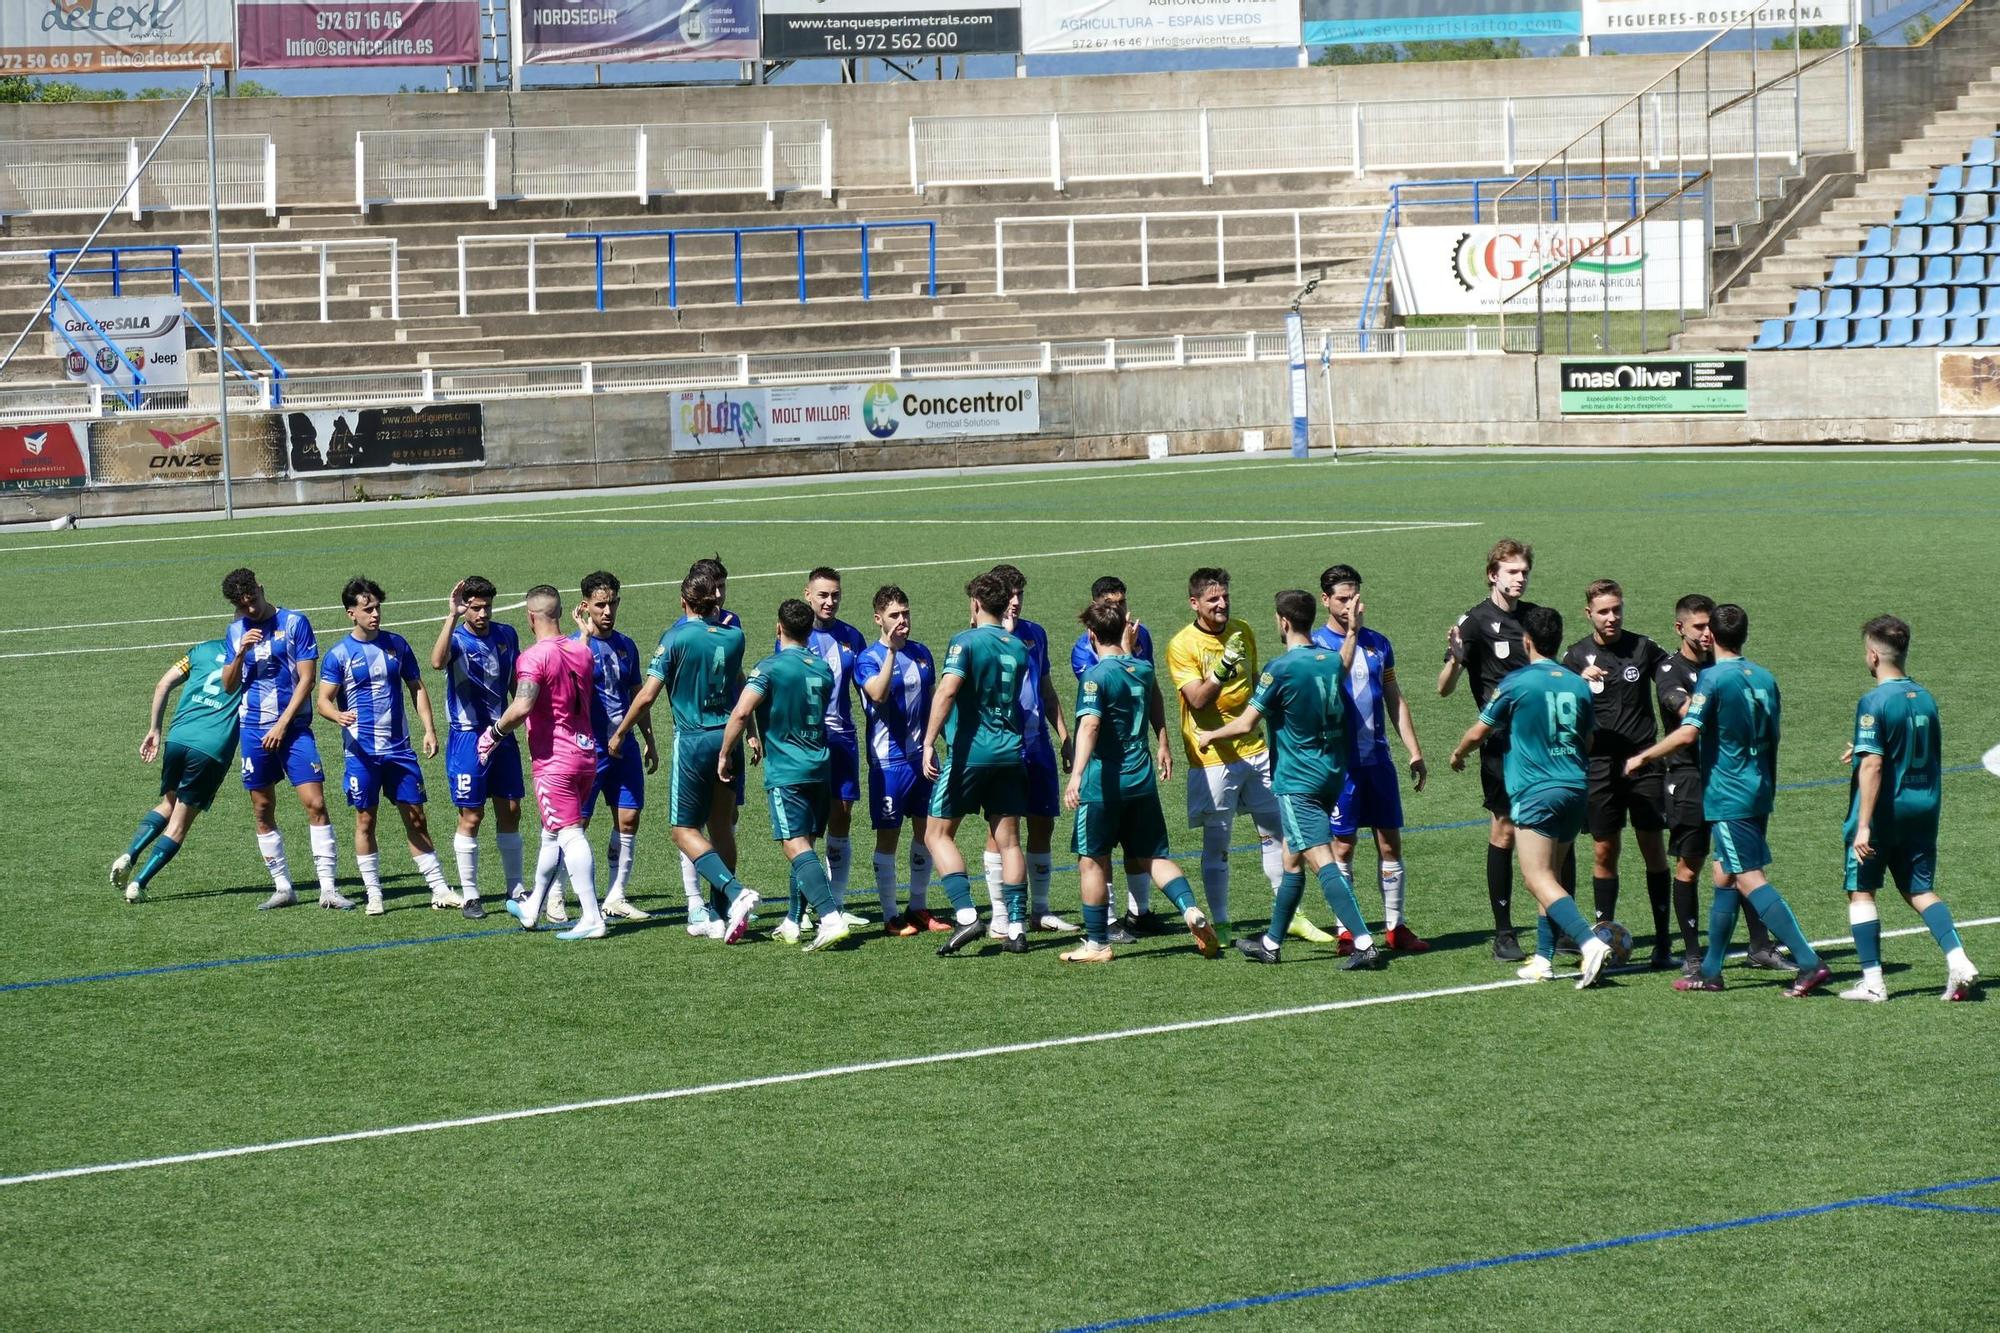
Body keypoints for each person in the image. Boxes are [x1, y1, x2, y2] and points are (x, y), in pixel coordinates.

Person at [1624, 604, 1829, 997]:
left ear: (1713, 637)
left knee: (1749, 877)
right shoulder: (1765, 677)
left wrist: (1643, 757)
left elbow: (1688, 733)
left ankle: (1808, 961)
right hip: (1760, 784)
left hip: (1729, 792)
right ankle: (1712, 970)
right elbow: (1775, 734)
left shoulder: (1713, 679)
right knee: (1724, 875)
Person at [1196, 591, 1381, 970]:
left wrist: (1210, 736)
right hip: (1331, 773)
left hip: (1298, 779)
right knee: (1291, 860)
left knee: (1319, 858)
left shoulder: (1279, 669)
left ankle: (1363, 940)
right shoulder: (1328, 660)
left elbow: (1248, 723)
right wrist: (1352, 631)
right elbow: (1344, 666)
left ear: (1282, 621)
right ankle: (1271, 942)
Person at [1166, 567, 1334, 948]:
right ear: (1195, 603)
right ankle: (1222, 924)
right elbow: (1195, 701)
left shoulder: (1243, 630)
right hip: (1211, 757)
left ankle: (1290, 917)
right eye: (1213, 599)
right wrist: (1222, 668)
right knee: (1218, 844)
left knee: (1279, 834)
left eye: (1224, 596)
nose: (1222, 603)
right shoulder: (1182, 645)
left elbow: (1258, 683)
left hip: (1256, 749)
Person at [1447, 606, 1613, 990]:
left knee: (1536, 877)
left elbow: (1479, 732)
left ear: (1526, 641)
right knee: (1550, 878)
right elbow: (1587, 739)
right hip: (1575, 787)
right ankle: (1544, 958)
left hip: (1536, 790)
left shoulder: (1516, 682)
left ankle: (1589, 943)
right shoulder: (1576, 684)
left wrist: (1458, 755)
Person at [1062, 597, 1219, 963]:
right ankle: (1190, 909)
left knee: (1093, 860)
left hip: (1103, 784)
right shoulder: (1142, 670)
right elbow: (1149, 696)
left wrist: (1076, 775)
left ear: (1090, 635)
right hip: (1142, 780)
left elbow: (1090, 725)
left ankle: (1098, 943)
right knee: (1153, 856)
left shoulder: (1094, 677)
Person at [1837, 616, 1978, 1002]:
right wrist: (1863, 746)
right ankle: (1959, 959)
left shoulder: (1874, 700)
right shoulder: (1925, 697)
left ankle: (1873, 982)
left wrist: (1863, 825)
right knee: (1919, 889)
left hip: (1885, 813)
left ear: (1872, 654)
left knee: (1861, 889)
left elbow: (1874, 765)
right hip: (1924, 808)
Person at [1653, 595, 1787, 975]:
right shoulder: (1670, 669)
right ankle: (1694, 954)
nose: (1706, 633)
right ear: (1681, 628)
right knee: (1689, 865)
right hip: (1690, 779)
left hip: (1728, 778)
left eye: (1709, 626)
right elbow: (1684, 713)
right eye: (1698, 627)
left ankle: (1760, 946)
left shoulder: (1723, 670)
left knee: (1740, 863)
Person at [316, 577, 459, 917]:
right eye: (367, 609)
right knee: (366, 820)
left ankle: (438, 888)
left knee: (416, 816)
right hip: (361, 753)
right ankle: (374, 892)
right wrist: (337, 715)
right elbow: (322, 699)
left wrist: (428, 729)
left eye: (378, 607)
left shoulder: (397, 645)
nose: (375, 614)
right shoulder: (339, 654)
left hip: (399, 750)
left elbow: (417, 687)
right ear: (352, 613)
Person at [1314, 564, 1429, 953]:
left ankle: (1395, 928)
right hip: (1339, 766)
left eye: (1355, 598)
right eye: (1342, 599)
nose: (1350, 606)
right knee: (1342, 848)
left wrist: (1413, 750)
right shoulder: (1315, 647)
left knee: (1390, 844)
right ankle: (1347, 931)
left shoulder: (1379, 643)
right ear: (1325, 600)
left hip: (1378, 761)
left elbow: (1394, 697)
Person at [723, 598, 849, 952]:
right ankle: (793, 921)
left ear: (779, 628)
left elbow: (741, 711)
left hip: (787, 770)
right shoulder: (823, 669)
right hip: (819, 766)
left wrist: (724, 753)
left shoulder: (770, 668)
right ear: (809, 630)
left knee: (794, 846)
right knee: (806, 844)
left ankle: (829, 917)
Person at [220, 567, 349, 912]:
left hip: (292, 730)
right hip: (253, 730)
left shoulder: (294, 623)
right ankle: (283, 887)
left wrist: (282, 724)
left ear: (262, 589)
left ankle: (329, 889)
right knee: (262, 808)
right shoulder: (235, 631)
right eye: (242, 605)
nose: (250, 609)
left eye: (253, 600)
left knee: (316, 803)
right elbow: (228, 685)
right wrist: (239, 654)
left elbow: (306, 680)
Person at [486, 585, 610, 941]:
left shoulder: (532, 657)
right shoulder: (582, 651)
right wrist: (584, 634)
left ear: (530, 617)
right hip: (586, 755)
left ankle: (591, 916)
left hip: (554, 760)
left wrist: (493, 733)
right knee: (551, 834)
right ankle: (532, 906)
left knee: (569, 833)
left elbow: (522, 706)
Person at [1560, 579, 1674, 966]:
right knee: (1604, 850)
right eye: (1604, 611)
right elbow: (1557, 700)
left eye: (1617, 609)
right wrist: (1579, 681)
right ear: (1588, 613)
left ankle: (1663, 940)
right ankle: (1602, 935)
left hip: (1644, 766)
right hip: (1599, 769)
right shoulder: (1576, 656)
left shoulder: (1643, 648)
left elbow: (1673, 677)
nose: (1612, 617)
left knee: (1653, 850)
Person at [1437, 539, 1539, 962]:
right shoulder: (1475, 621)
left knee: (1553, 832)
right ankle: (1503, 932)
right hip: (1500, 744)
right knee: (1505, 830)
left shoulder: (1537, 618)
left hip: (1542, 740)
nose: (1520, 578)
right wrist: (1456, 661)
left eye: (1524, 572)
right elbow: (1442, 690)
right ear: (1492, 574)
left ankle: (1557, 927)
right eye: (1512, 571)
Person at [922, 572, 1032, 957]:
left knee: (936, 834)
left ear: (975, 605)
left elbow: (949, 690)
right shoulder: (1019, 647)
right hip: (1010, 751)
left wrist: (928, 739)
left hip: (972, 753)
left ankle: (967, 915)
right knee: (1011, 841)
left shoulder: (964, 642)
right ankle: (1016, 927)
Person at [109, 636, 245, 903]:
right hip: (211, 748)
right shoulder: (252, 659)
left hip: (178, 739)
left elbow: (163, 684)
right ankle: (139, 883)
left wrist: (154, 729)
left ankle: (130, 854)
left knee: (169, 803)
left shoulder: (201, 649)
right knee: (180, 823)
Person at [986, 564, 1077, 934]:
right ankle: (1000, 916)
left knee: (1043, 824)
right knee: (1001, 830)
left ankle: (1039, 910)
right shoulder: (982, 637)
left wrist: (1065, 737)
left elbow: (1047, 689)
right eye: (1009, 594)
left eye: (1020, 594)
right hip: (1002, 747)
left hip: (1037, 744)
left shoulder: (1036, 634)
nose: (1016, 602)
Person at [430, 575, 523, 921]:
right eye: (476, 607)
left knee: (511, 809)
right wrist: (451, 615)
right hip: (468, 737)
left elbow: (515, 683)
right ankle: (470, 895)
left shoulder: (507, 635)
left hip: (503, 734)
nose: (482, 613)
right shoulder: (456, 638)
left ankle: (516, 888)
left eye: (487, 607)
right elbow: (437, 662)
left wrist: (527, 723)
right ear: (465, 606)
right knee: (472, 814)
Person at [1069, 574, 1156, 938]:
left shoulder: (1142, 635)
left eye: (1121, 602)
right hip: (1105, 764)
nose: (1117, 609)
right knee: (1099, 850)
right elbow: (1108, 697)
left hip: (1132, 762)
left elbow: (1148, 688)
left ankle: (1140, 912)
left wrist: (1163, 739)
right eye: (1109, 604)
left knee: (1138, 845)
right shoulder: (1082, 650)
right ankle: (1107, 917)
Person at [857, 585, 944, 935]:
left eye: (905, 613)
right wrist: (892, 651)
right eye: (894, 615)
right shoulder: (869, 658)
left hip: (920, 759)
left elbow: (934, 701)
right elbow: (877, 694)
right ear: (879, 619)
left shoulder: (922, 653)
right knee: (888, 838)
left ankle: (919, 907)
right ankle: (891, 915)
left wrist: (936, 742)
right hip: (888, 765)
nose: (902, 620)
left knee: (926, 832)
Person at [574, 570, 655, 922]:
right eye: (600, 605)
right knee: (578, 823)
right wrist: (582, 636)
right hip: (588, 749)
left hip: (626, 746)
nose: (607, 611)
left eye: (612, 604)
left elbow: (639, 696)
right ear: (585, 606)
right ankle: (559, 894)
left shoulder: (627, 645)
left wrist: (650, 739)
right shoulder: (576, 647)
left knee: (629, 817)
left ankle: (616, 894)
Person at [672, 556, 745, 932]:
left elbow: (739, 676)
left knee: (723, 823)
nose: (720, 593)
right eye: (715, 586)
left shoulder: (733, 625)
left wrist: (750, 730)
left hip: (719, 734)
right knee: (694, 826)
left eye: (723, 586)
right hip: (712, 736)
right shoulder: (685, 631)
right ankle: (695, 903)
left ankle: (721, 907)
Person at [799, 567, 870, 926]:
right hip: (808, 741)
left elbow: (865, 691)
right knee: (809, 823)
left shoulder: (852, 637)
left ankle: (837, 903)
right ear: (807, 595)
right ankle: (809, 906)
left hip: (843, 737)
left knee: (842, 814)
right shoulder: (796, 635)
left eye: (835, 595)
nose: (830, 601)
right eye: (823, 595)